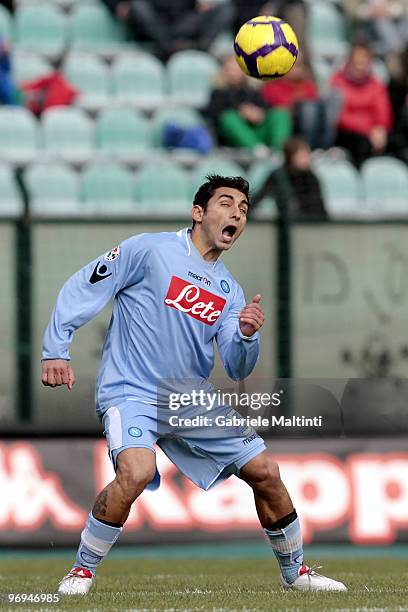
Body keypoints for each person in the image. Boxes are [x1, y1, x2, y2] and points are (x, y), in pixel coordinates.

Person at [42, 175, 345, 595]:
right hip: (131, 391)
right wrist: (56, 349)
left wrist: (247, 334)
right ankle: (81, 570)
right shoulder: (148, 250)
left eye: (243, 208)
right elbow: (84, 285)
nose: (237, 213)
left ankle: (296, 574)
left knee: (266, 472)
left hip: (189, 398)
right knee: (136, 472)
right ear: (198, 212)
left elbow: (238, 366)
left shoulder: (229, 290)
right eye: (227, 203)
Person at [206, 54, 291, 152]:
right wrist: (241, 112)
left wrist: (258, 113)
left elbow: (266, 108)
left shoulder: (252, 91)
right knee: (229, 118)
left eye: (237, 69)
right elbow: (215, 115)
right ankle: (257, 149)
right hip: (236, 135)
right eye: (230, 69)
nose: (234, 73)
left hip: (258, 128)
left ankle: (279, 150)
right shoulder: (218, 92)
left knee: (280, 113)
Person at [329, 42, 393, 167]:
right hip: (346, 133)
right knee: (362, 144)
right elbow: (338, 116)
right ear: (349, 62)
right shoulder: (337, 82)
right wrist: (368, 130)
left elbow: (383, 112)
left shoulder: (376, 85)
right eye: (357, 62)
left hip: (371, 134)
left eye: (363, 63)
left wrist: (380, 128)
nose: (360, 67)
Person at [102, 0, 234, 60]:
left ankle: (200, 47)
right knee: (137, 6)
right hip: (154, 24)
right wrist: (117, 5)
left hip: (183, 22)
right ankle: (170, 47)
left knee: (225, 9)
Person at [261, 56, 328, 150]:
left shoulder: (307, 86)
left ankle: (309, 149)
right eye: (292, 65)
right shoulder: (272, 86)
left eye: (299, 65)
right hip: (283, 127)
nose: (296, 69)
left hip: (303, 128)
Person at [252, 137, 327, 218]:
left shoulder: (311, 178)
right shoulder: (278, 176)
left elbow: (319, 208)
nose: (307, 159)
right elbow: (257, 199)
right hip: (286, 223)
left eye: (308, 154)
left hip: (308, 223)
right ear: (291, 156)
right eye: (302, 155)